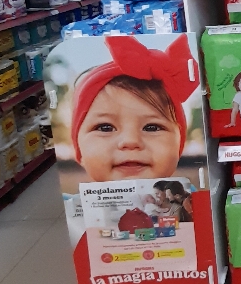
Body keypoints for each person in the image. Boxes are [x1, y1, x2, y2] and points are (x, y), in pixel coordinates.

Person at [71, 36, 197, 182]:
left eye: (152, 127)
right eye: (105, 127)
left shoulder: (203, 196)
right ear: (79, 149)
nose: (130, 141)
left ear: (179, 143)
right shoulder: (64, 197)